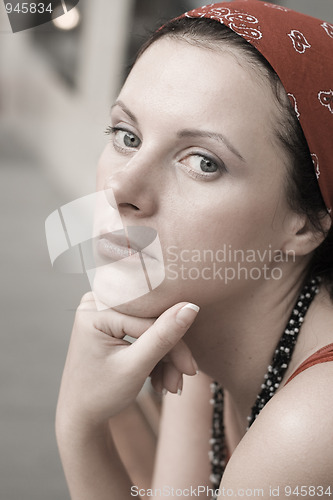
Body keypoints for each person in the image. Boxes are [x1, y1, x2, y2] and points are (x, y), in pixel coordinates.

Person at [55, 1, 333, 498]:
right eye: (127, 135)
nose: (123, 188)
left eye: (203, 162)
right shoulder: (202, 327)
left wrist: (78, 427)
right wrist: (86, 420)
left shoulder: (309, 429)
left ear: (307, 223)